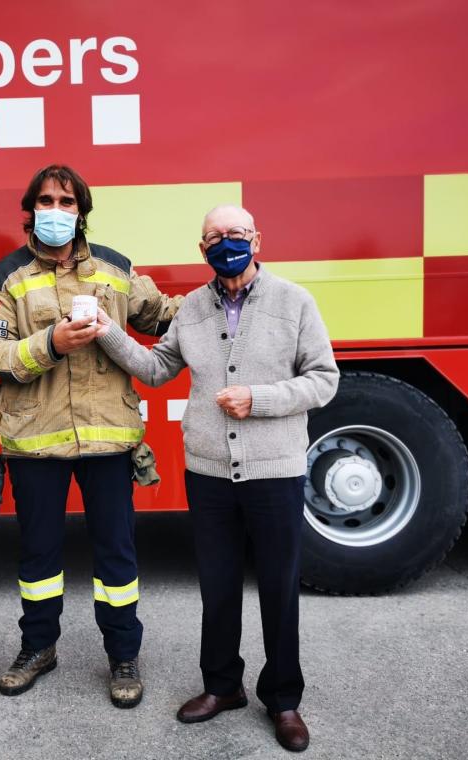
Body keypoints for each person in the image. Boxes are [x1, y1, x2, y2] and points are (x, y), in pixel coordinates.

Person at [94, 204, 339, 750]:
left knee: (278, 587)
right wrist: (109, 332)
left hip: (275, 471)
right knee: (218, 586)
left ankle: (284, 699)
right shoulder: (192, 311)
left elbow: (324, 380)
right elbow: (158, 368)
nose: (224, 243)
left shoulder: (293, 302)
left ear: (257, 239)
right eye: (213, 237)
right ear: (201, 249)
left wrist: (261, 398)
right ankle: (222, 686)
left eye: (235, 234)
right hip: (208, 472)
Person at [0, 164, 183, 707]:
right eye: (45, 201)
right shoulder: (5, 277)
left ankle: (123, 656)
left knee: (117, 556)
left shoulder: (116, 269)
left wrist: (230, 293)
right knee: (38, 556)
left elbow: (164, 317)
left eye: (66, 201)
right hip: (35, 440)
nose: (56, 211)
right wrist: (52, 343)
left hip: (110, 440)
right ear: (31, 210)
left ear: (81, 211)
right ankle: (37, 648)